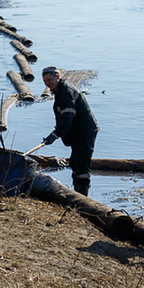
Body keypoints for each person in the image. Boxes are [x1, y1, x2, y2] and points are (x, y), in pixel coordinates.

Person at [41, 66, 100, 196]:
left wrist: (55, 135)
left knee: (82, 165)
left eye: (49, 79)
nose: (47, 83)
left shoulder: (66, 93)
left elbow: (67, 119)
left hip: (85, 131)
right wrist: (57, 133)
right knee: (75, 162)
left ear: (57, 77)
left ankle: (83, 199)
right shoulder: (58, 92)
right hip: (76, 132)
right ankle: (78, 194)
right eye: (45, 81)